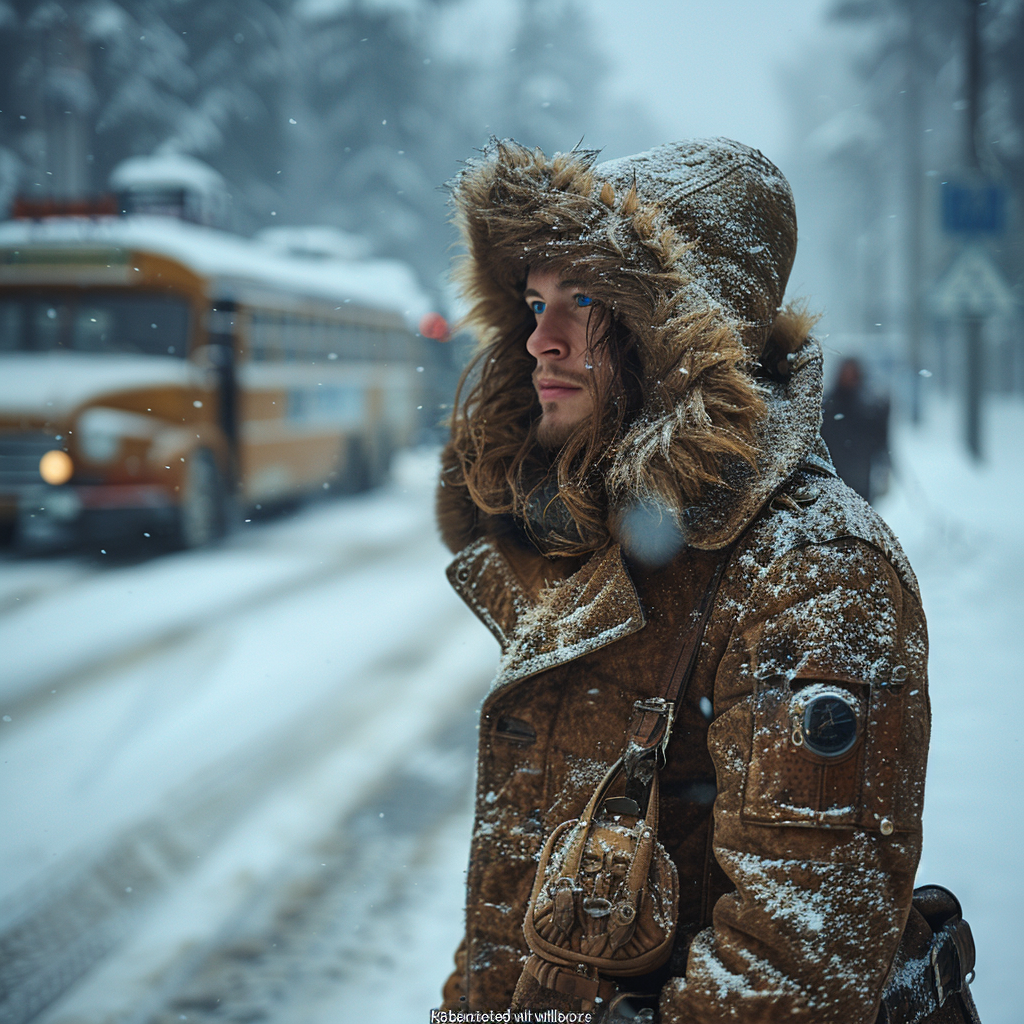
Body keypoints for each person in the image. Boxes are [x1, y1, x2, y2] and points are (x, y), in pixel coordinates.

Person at [435, 139, 930, 1023]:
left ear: (676, 332)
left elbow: (789, 983)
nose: (539, 337)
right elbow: (513, 938)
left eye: (582, 300)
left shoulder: (814, 574)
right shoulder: (582, 532)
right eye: (535, 301)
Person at [821, 356, 891, 505]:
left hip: (861, 476)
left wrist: (884, 471)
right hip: (833, 476)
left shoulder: (870, 407)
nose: (849, 377)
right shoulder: (827, 405)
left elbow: (882, 442)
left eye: (852, 373)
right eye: (846, 372)